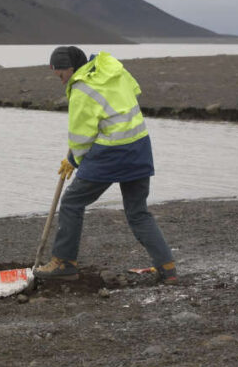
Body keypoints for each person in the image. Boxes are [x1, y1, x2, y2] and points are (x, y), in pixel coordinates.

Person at [33, 46, 177, 284]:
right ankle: (167, 268)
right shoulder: (112, 68)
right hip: (139, 146)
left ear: (71, 68)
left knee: (71, 202)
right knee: (138, 212)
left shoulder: (81, 89)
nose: (61, 81)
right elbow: (134, 91)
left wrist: (73, 159)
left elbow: (81, 137)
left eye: (61, 75)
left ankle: (64, 263)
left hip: (111, 153)